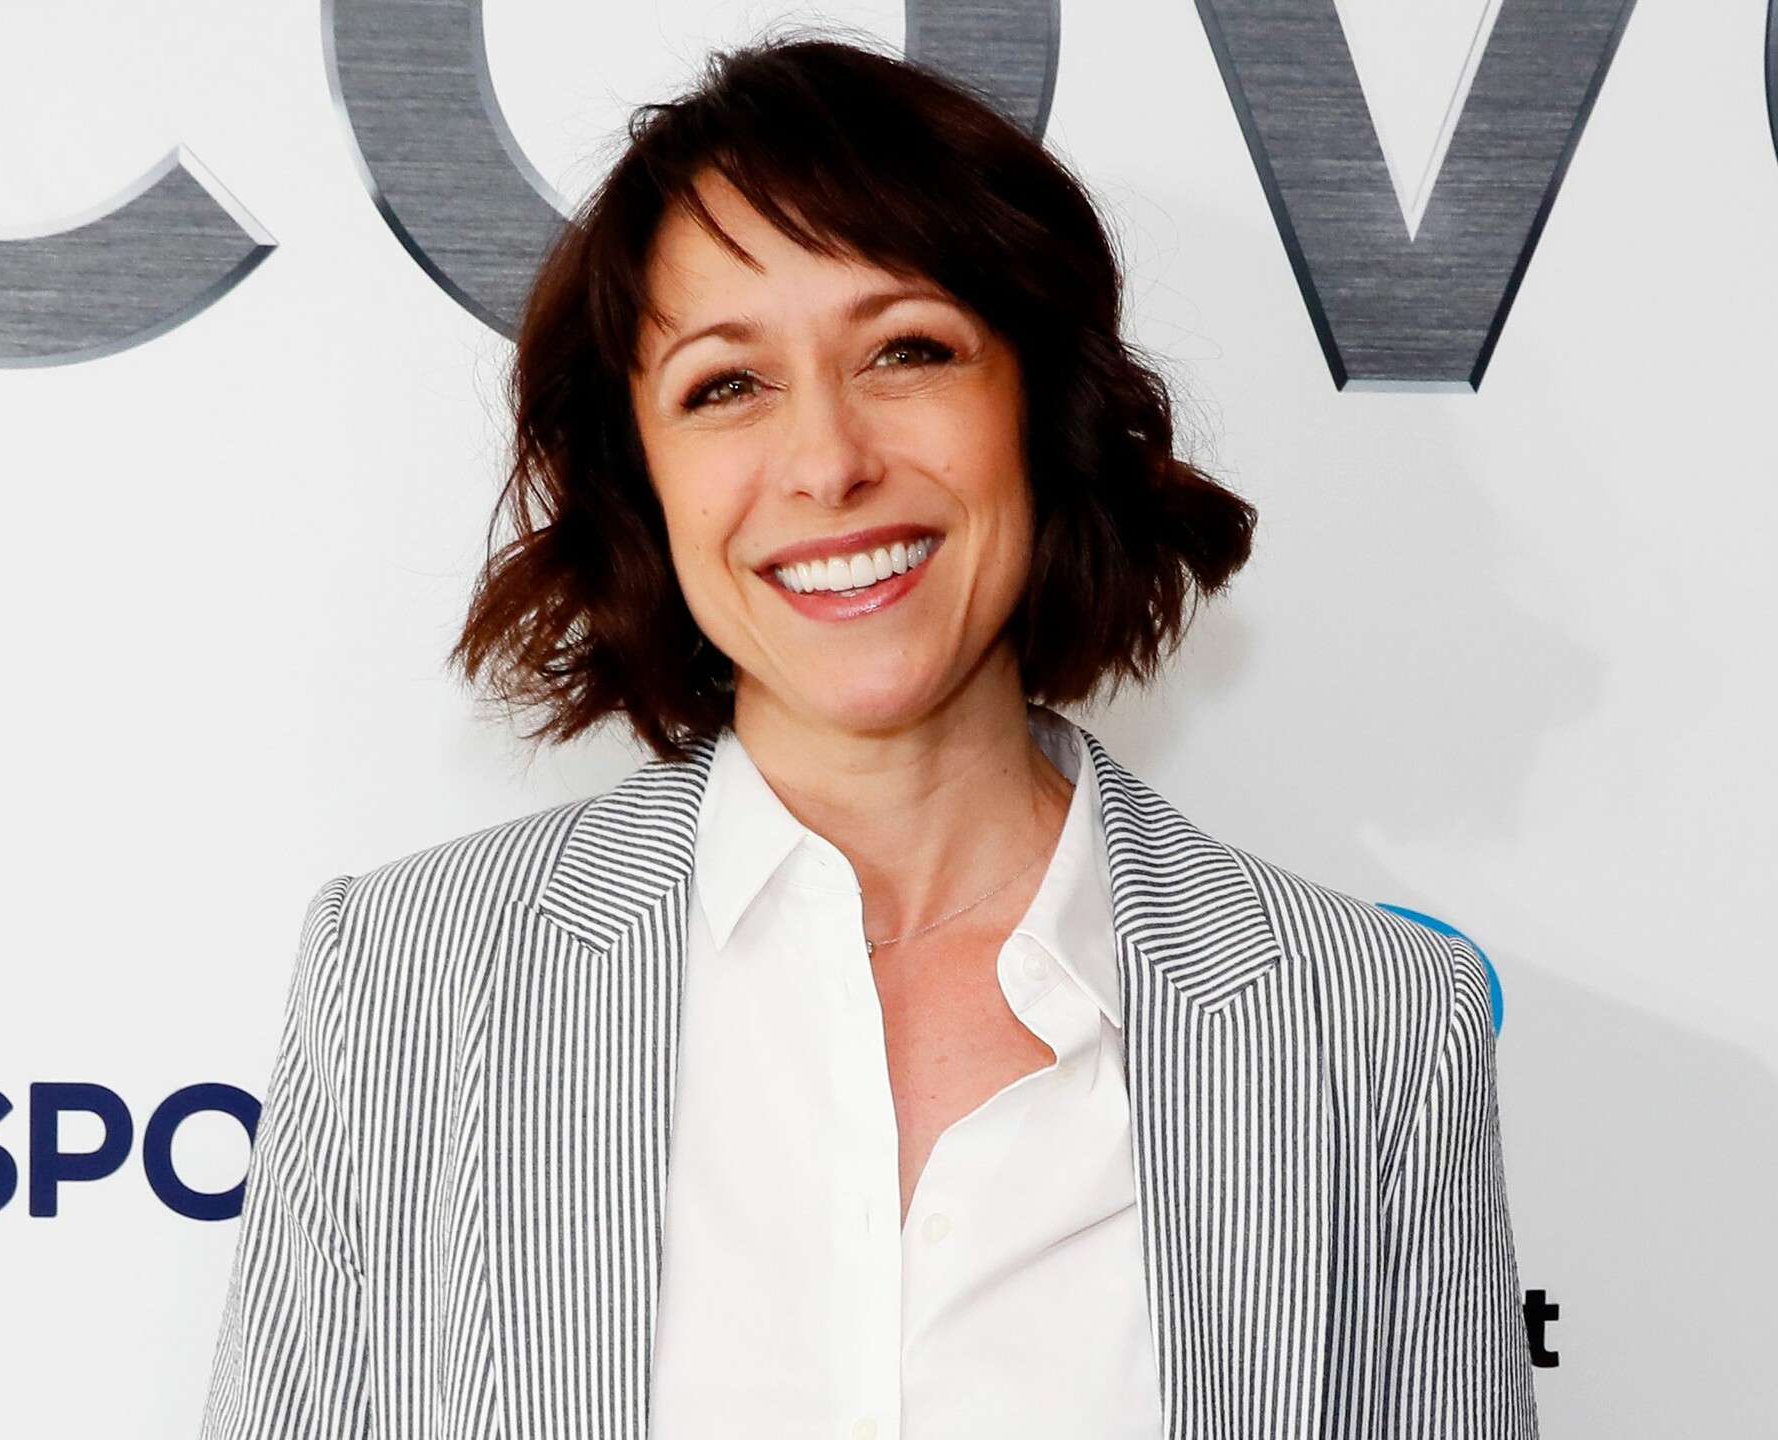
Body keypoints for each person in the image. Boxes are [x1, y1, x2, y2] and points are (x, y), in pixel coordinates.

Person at [202, 37, 1537, 1440]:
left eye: (907, 351)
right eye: (727, 385)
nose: (829, 462)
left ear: (1041, 408)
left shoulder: (1368, 1022)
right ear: (641, 479)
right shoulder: (410, 981)